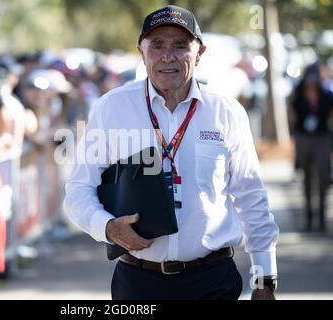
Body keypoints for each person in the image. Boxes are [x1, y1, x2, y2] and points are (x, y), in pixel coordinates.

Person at [64, 5, 279, 300]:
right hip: (138, 282)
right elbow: (78, 190)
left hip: (213, 281)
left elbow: (251, 197)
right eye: (158, 45)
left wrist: (264, 277)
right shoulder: (112, 108)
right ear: (141, 51)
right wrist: (109, 228)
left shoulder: (226, 111)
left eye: (180, 46)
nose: (168, 56)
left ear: (200, 52)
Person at [290, 63, 333, 231]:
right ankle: (309, 213)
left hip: (322, 138)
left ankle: (322, 213)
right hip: (303, 139)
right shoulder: (298, 95)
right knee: (307, 176)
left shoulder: (327, 96)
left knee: (323, 175)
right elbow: (292, 115)